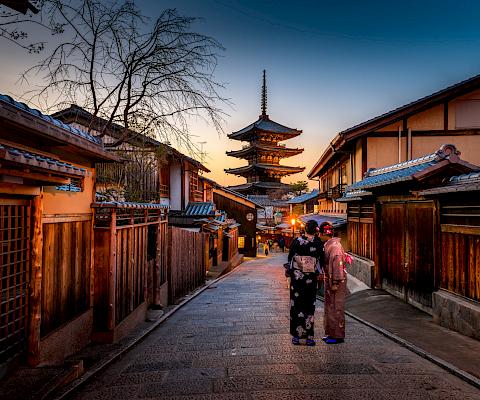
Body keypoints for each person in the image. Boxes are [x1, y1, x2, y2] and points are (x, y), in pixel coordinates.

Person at [286, 219, 324, 346]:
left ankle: (296, 336)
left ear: (305, 229)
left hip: (297, 279)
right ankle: (309, 337)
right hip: (310, 279)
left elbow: (290, 258)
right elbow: (321, 261)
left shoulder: (297, 241)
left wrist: (291, 272)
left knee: (296, 306)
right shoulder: (318, 243)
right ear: (316, 230)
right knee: (309, 306)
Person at [319, 222, 347, 344]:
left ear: (324, 233)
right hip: (330, 278)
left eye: (320, 233)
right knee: (330, 306)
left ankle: (338, 335)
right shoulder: (330, 245)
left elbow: (337, 265)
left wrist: (335, 282)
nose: (319, 236)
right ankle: (330, 332)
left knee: (336, 307)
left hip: (336, 280)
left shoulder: (334, 247)